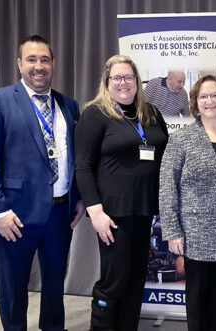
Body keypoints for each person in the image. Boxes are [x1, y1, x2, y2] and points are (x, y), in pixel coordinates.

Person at [0, 35, 84, 331]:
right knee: (13, 288)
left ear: (53, 64)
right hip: (15, 216)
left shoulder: (68, 105)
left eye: (44, 60)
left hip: (60, 213)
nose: (39, 66)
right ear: (19, 63)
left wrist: (80, 198)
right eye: (31, 59)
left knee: (54, 286)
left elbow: (77, 157)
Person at [74, 55, 168, 330]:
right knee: (114, 280)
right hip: (113, 214)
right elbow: (83, 166)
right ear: (107, 82)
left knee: (136, 278)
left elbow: (166, 154)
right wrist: (96, 212)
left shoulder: (150, 113)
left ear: (138, 81)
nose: (124, 83)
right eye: (117, 78)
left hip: (145, 210)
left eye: (129, 77)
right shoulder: (95, 114)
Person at [159, 74, 216, 331]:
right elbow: (167, 187)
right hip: (196, 234)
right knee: (198, 301)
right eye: (203, 96)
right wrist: (173, 231)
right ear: (195, 103)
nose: (209, 101)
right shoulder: (182, 139)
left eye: (215, 95)